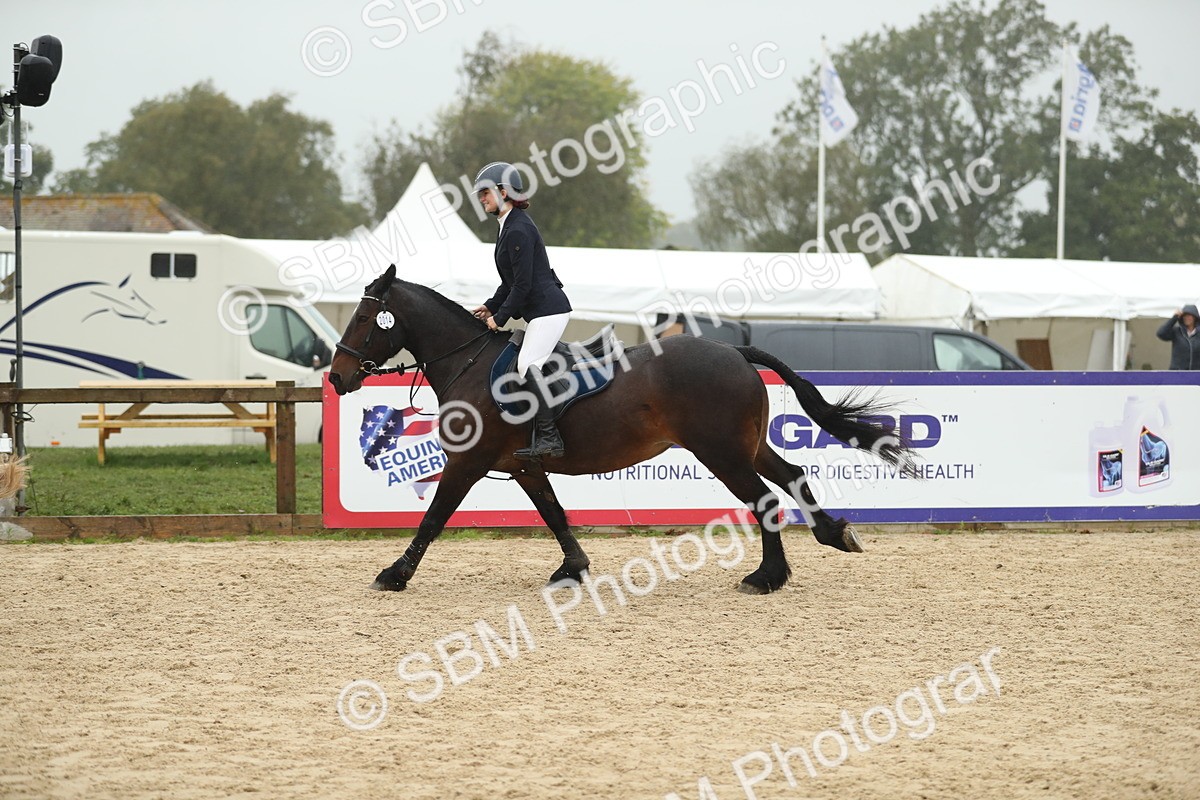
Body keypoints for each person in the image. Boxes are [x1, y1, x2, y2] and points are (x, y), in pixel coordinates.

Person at [470, 161, 573, 460]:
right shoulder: (510, 225)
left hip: (549, 310)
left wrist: (499, 319)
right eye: (481, 194)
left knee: (529, 364)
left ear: (504, 192)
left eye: (486, 193)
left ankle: (550, 438)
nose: (482, 199)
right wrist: (490, 306)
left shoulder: (517, 229)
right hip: (541, 310)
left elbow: (523, 287)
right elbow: (509, 283)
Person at [1156, 304, 1200, 370]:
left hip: (1195, 374)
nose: (1186, 318)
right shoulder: (1176, 331)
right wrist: (1174, 318)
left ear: (1195, 317)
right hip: (1177, 373)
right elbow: (1160, 333)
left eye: (1189, 315)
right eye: (1184, 316)